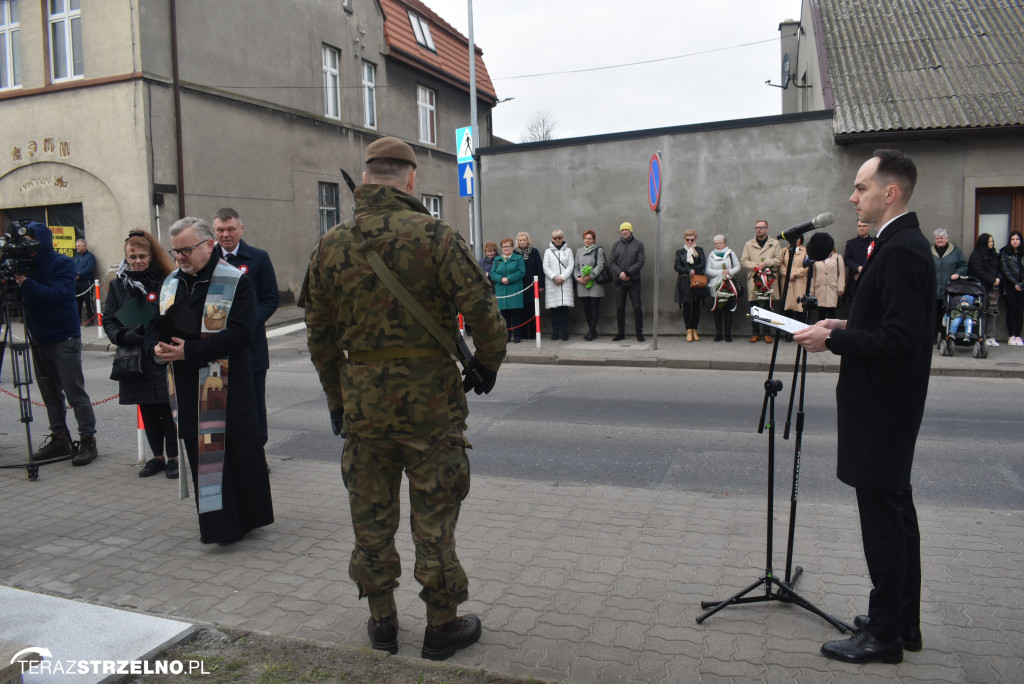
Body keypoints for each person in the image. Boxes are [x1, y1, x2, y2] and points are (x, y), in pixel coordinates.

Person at [303, 137, 507, 661]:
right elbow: (488, 319)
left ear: (366, 179)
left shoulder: (331, 245)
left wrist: (336, 402)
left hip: (364, 409)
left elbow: (320, 339)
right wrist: (485, 364)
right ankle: (442, 625)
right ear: (411, 180)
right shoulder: (437, 236)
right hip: (432, 408)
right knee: (434, 519)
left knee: (370, 520)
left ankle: (383, 624)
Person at [795, 149, 932, 665]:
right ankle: (902, 622)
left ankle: (884, 636)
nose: (853, 197)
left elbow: (900, 340)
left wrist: (832, 343)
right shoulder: (901, 243)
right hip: (889, 405)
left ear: (889, 192)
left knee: (882, 522)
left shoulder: (900, 250)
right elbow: (894, 326)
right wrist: (842, 326)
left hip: (882, 407)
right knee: (897, 514)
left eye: (861, 187)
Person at [150, 217, 274, 545]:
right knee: (205, 458)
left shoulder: (234, 281)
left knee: (236, 458)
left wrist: (188, 352)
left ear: (208, 245)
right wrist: (158, 348)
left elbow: (241, 335)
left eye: (186, 250)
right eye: (175, 252)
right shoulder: (172, 283)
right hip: (190, 390)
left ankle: (247, 518)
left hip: (228, 389)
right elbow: (155, 325)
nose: (180, 258)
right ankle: (221, 528)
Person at [14, 222, 99, 465]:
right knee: (50, 394)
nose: (27, 246)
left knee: (74, 392)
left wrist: (26, 283)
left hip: (63, 337)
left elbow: (59, 295)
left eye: (30, 240)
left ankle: (88, 440)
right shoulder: (24, 266)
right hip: (38, 337)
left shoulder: (62, 263)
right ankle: (60, 438)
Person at [103, 229, 179, 479]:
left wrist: (159, 331)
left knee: (168, 412)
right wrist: (124, 336)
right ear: (126, 257)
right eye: (132, 256)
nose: (137, 261)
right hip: (135, 357)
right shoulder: (118, 284)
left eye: (142, 256)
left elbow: (177, 315)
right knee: (147, 411)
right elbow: (110, 320)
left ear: (151, 256)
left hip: (162, 353)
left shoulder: (167, 280)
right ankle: (156, 458)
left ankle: (174, 458)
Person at [212, 208, 280, 446]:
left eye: (231, 229)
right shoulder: (208, 259)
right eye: (220, 230)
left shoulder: (258, 258)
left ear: (241, 229)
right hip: (217, 346)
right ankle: (228, 450)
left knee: (253, 404)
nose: (226, 234)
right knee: (221, 403)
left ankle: (257, 451)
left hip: (251, 346)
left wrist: (248, 322)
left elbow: (271, 298)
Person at [740, 219, 784, 343]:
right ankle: (755, 333)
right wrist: (756, 266)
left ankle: (767, 333)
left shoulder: (774, 243)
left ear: (767, 229)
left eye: (761, 227)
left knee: (768, 307)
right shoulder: (749, 244)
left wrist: (765, 263)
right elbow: (744, 261)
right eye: (757, 228)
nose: (759, 230)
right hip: (754, 279)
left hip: (768, 279)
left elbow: (779, 259)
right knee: (754, 307)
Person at [609, 221, 646, 341]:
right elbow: (611, 262)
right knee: (620, 307)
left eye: (627, 229)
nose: (624, 232)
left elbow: (640, 262)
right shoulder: (616, 245)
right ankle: (621, 333)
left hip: (634, 281)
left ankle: (639, 333)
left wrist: (628, 273)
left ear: (631, 231)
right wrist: (620, 273)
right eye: (622, 230)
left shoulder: (638, 244)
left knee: (637, 306)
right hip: (620, 282)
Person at [931, 228, 968, 335]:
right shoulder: (929, 250)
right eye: (937, 238)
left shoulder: (955, 251)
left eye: (941, 238)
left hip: (950, 289)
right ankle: (933, 336)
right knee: (933, 314)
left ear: (947, 239)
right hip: (934, 289)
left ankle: (945, 335)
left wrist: (958, 273)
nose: (939, 240)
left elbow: (963, 265)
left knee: (947, 313)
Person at [673, 229, 708, 342]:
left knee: (696, 307)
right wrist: (688, 271)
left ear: (695, 239)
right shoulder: (680, 252)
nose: (689, 241)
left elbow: (703, 264)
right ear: (685, 239)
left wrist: (693, 269)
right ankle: (688, 330)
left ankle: (695, 330)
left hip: (697, 281)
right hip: (684, 282)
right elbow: (676, 266)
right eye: (687, 239)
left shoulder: (699, 250)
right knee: (687, 307)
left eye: (691, 239)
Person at [968, 233, 1002, 346]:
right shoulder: (976, 255)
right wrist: (992, 280)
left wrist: (998, 279)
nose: (991, 243)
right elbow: (978, 271)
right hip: (980, 288)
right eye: (989, 241)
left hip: (993, 288)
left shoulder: (994, 255)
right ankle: (981, 335)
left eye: (992, 241)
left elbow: (1000, 269)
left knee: (992, 311)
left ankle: (991, 336)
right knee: (981, 311)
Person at [706, 234, 741, 342]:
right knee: (717, 311)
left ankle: (728, 334)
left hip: (728, 285)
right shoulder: (711, 255)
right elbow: (707, 270)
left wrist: (729, 272)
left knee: (728, 311)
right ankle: (718, 334)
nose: (718, 245)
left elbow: (738, 266)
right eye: (716, 243)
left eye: (720, 243)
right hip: (715, 287)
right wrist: (720, 273)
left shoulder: (730, 253)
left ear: (724, 243)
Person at [574, 229, 607, 341]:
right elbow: (576, 267)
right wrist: (578, 277)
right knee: (586, 308)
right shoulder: (579, 251)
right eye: (586, 238)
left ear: (594, 240)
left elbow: (600, 265)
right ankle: (592, 330)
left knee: (594, 307)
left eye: (590, 238)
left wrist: (591, 276)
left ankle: (591, 331)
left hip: (595, 283)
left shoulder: (599, 250)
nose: (587, 240)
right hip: (582, 283)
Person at [491, 238, 526, 343]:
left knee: (515, 315)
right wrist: (501, 279)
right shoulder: (497, 259)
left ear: (512, 247)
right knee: (504, 316)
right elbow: (492, 273)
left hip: (514, 290)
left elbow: (521, 272)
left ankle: (517, 336)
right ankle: (506, 336)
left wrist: (509, 279)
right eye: (504, 246)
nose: (506, 248)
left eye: (508, 246)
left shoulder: (519, 258)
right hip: (501, 290)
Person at [543, 230, 575, 340]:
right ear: (552, 238)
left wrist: (562, 277)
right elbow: (545, 267)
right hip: (553, 283)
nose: (557, 240)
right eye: (555, 238)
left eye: (559, 237)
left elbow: (571, 266)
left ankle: (564, 332)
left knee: (564, 309)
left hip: (565, 283)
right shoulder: (548, 252)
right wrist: (554, 277)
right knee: (554, 309)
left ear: (562, 238)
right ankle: (555, 332)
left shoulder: (569, 251)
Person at [779, 236, 809, 342]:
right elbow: (780, 264)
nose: (795, 240)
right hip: (787, 281)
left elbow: (807, 265)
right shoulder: (784, 251)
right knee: (788, 308)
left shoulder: (806, 251)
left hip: (800, 281)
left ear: (801, 239)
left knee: (800, 307)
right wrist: (787, 274)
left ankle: (800, 333)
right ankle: (789, 333)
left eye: (797, 238)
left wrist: (795, 273)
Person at [515, 232, 543, 334]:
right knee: (521, 309)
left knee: (532, 309)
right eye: (520, 240)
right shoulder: (515, 253)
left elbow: (539, 268)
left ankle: (532, 333)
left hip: (532, 285)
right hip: (519, 285)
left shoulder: (534, 252)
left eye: (524, 240)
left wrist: (541, 285)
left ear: (528, 240)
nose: (522, 242)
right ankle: (522, 333)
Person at [1000, 231, 1024, 345]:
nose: (1015, 241)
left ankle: (1018, 336)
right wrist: (1015, 283)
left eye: (1017, 239)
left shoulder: (1022, 252)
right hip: (1009, 286)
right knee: (1011, 310)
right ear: (1009, 241)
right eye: (1013, 239)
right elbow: (1005, 270)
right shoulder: (1004, 252)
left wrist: (1021, 284)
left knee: (1019, 311)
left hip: (1022, 286)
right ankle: (1011, 335)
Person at [810, 245, 845, 321]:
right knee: (820, 313)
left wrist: (841, 288)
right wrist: (812, 289)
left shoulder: (838, 257)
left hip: (832, 289)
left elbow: (842, 273)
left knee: (831, 312)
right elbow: (814, 275)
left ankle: (832, 332)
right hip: (819, 288)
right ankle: (820, 331)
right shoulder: (817, 258)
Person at [843, 220, 873, 302]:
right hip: (854, 282)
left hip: (869, 282)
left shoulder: (874, 242)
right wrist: (858, 267)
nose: (861, 228)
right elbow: (846, 259)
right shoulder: (850, 243)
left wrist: (864, 271)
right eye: (859, 226)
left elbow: (876, 260)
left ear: (869, 227)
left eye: (864, 226)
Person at [73, 238, 97, 325]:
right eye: (76, 246)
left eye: (78, 246)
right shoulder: (76, 257)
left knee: (88, 301)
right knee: (77, 302)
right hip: (77, 283)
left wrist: (79, 274)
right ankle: (78, 319)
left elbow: (90, 268)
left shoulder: (90, 257)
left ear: (84, 246)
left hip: (86, 282)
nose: (77, 247)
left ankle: (90, 319)